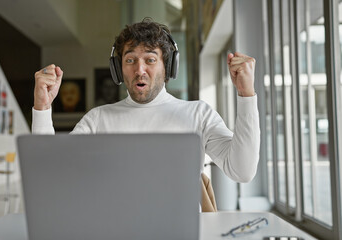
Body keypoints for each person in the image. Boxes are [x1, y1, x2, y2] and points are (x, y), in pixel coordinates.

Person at [32, 18, 260, 183]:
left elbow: (242, 171)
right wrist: (42, 108)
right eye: (130, 60)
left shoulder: (199, 114)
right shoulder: (97, 119)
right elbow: (52, 174)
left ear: (168, 67)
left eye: (150, 60)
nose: (139, 70)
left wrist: (246, 96)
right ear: (118, 69)